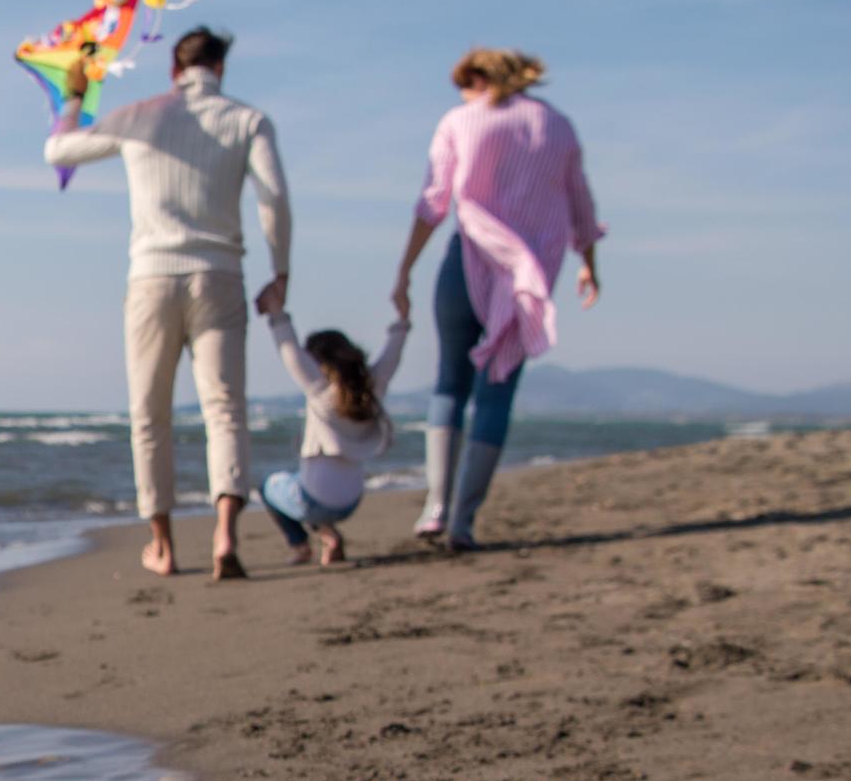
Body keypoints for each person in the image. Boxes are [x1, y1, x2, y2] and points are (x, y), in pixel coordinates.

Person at [45, 26, 293, 581]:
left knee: (148, 415)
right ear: (220, 69)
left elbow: (58, 150)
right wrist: (281, 271)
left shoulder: (142, 114)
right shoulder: (248, 120)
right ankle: (225, 535)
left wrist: (75, 94)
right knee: (225, 409)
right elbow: (273, 198)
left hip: (151, 276)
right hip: (220, 273)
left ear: (173, 71)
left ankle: (162, 544)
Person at [389, 47, 606, 549]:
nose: (461, 95)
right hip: (528, 274)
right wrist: (590, 266)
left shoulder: (462, 121)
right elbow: (581, 204)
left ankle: (435, 508)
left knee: (450, 383)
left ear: (480, 79)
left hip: (469, 260)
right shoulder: (558, 126)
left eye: (464, 84)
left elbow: (433, 202)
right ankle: (464, 520)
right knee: (497, 389)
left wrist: (404, 269)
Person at [256, 311, 408, 566]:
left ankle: (305, 545)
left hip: (314, 502)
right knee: (299, 485)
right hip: (352, 501)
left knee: (268, 486)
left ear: (317, 362)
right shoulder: (372, 392)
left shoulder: (321, 393)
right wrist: (402, 320)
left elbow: (290, 351)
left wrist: (277, 314)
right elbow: (393, 353)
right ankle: (327, 534)